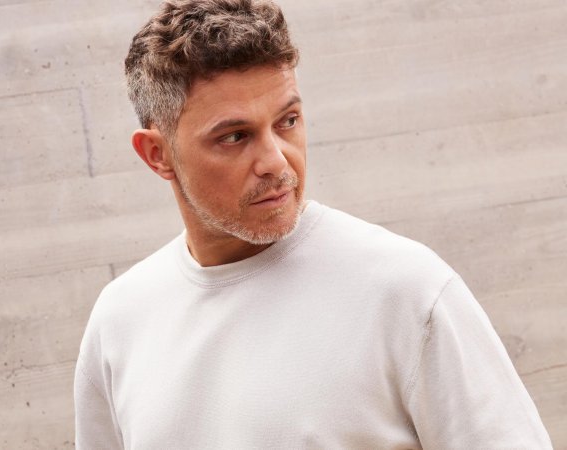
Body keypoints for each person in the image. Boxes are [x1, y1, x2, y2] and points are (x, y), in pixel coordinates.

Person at [74, 1, 553, 448]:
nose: (276, 162)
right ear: (157, 154)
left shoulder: (406, 290)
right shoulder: (120, 321)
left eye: (288, 121)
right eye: (235, 137)